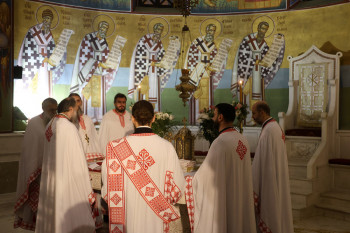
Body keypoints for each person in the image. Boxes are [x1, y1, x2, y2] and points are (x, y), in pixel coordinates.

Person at [101, 100, 185, 232]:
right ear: (154, 118)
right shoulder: (166, 147)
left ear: (132, 118)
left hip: (126, 215)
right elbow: (177, 186)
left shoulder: (115, 148)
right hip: (156, 217)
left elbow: (108, 188)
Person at [185, 103, 256, 233]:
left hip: (226, 200)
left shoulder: (220, 142)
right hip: (239, 197)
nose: (213, 118)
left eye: (215, 115)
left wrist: (189, 181)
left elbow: (205, 176)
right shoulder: (242, 140)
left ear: (220, 117)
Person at [35, 97, 95, 233]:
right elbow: (78, 157)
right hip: (66, 178)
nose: (77, 113)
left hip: (52, 178)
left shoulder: (50, 123)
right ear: (71, 109)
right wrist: (85, 181)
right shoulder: (68, 127)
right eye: (76, 110)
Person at [14, 98, 57, 231]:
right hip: (37, 172)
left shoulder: (58, 122)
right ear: (43, 108)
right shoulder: (34, 123)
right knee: (37, 204)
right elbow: (30, 148)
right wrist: (35, 168)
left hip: (52, 170)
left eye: (56, 109)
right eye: (51, 110)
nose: (54, 112)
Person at [251, 101, 293, 233]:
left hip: (270, 179)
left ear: (262, 112)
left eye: (254, 113)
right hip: (277, 175)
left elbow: (261, 163)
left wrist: (253, 182)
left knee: (271, 207)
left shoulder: (269, 131)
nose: (252, 116)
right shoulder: (275, 127)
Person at [231, 21, 285, 125]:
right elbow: (242, 58)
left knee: (257, 96)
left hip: (258, 75)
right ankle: (246, 118)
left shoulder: (264, 44)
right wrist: (254, 62)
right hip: (247, 74)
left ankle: (255, 118)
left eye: (266, 29)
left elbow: (269, 59)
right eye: (262, 29)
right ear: (258, 28)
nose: (263, 31)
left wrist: (277, 52)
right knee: (246, 96)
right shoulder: (247, 40)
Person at [17, 8, 66, 118]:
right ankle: (33, 113)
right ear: (43, 19)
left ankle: (47, 114)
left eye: (50, 19)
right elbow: (28, 48)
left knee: (46, 87)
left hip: (46, 67)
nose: (47, 21)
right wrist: (40, 58)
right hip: (35, 66)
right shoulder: (33, 31)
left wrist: (55, 57)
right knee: (36, 88)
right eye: (46, 18)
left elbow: (53, 49)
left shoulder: (49, 34)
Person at [70, 20, 118, 123]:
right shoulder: (88, 38)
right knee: (88, 97)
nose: (104, 30)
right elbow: (84, 56)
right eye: (103, 28)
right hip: (88, 74)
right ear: (99, 27)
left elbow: (106, 57)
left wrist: (106, 65)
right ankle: (87, 118)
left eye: (106, 29)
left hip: (99, 74)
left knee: (98, 98)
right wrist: (96, 63)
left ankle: (99, 118)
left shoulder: (104, 42)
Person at [128, 22, 177, 111]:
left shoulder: (159, 43)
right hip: (143, 72)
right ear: (154, 30)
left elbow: (162, 57)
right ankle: (141, 111)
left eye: (161, 30)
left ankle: (155, 112)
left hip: (154, 72)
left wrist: (165, 62)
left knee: (154, 92)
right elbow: (138, 56)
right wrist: (149, 63)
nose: (159, 32)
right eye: (158, 29)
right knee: (143, 92)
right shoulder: (144, 40)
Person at [185, 23, 226, 124]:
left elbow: (216, 61)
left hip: (208, 76)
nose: (211, 33)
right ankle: (195, 119)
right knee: (196, 95)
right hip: (197, 74)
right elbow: (191, 58)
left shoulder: (214, 46)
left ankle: (207, 118)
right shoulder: (197, 42)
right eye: (210, 30)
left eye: (213, 31)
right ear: (206, 30)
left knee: (207, 96)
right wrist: (201, 66)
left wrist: (212, 67)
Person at [69, 93, 103, 161]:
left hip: (91, 157)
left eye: (78, 101)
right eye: (74, 102)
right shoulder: (68, 121)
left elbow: (94, 138)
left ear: (81, 102)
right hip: (76, 158)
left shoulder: (88, 119)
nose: (77, 104)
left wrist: (98, 153)